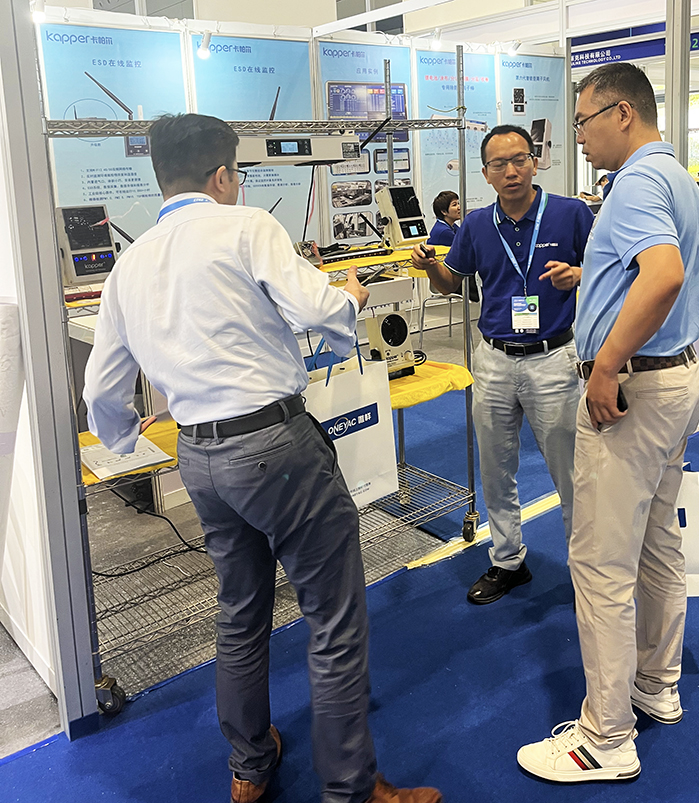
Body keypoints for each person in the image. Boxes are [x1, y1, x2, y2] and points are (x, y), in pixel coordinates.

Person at [83, 113, 442, 803]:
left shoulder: (130, 263)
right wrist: (350, 298)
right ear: (223, 175)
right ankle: (351, 789)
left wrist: (125, 436)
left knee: (239, 612)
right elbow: (318, 310)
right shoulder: (248, 228)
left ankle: (249, 767)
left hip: (199, 456)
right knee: (333, 618)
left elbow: (101, 390)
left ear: (161, 178)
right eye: (238, 174)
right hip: (276, 448)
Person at [516, 63, 699, 783]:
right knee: (658, 542)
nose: (578, 136)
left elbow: (662, 275)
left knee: (600, 563)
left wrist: (605, 365)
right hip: (674, 381)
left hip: (632, 393)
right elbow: (656, 272)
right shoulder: (676, 177)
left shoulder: (634, 182)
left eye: (583, 121)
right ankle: (656, 685)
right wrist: (592, 279)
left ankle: (605, 737)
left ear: (622, 112)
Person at [411, 124, 594, 605]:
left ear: (534, 162)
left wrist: (579, 274)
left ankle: (588, 569)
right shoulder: (475, 225)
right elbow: (451, 283)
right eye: (499, 164)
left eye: (519, 160)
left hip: (553, 359)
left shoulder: (571, 214)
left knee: (571, 472)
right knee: (495, 469)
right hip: (493, 359)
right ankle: (508, 560)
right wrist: (429, 267)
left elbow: (612, 268)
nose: (511, 171)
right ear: (486, 173)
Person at [427, 190, 479, 302]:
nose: (459, 207)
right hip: (450, 278)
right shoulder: (443, 232)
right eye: (454, 205)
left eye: (458, 203)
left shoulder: (452, 227)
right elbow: (465, 248)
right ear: (444, 211)